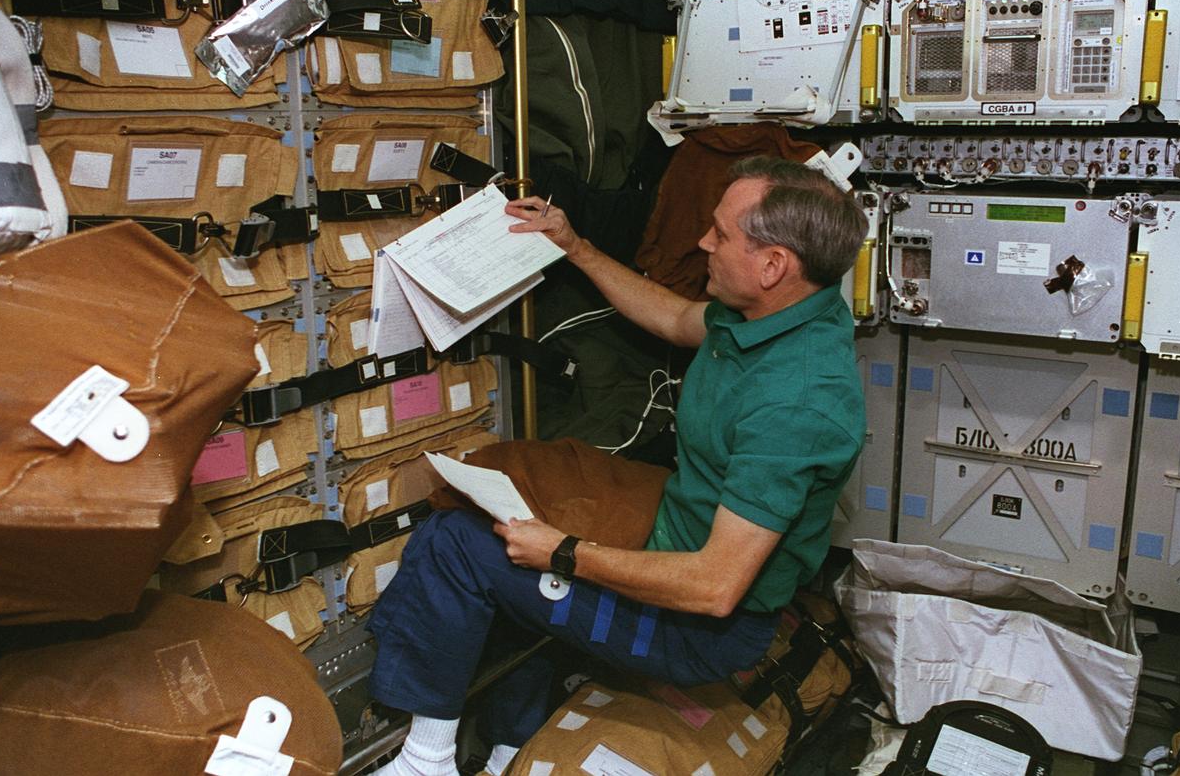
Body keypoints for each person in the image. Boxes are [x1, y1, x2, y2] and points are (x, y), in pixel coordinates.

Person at [369, 157, 869, 776]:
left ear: (773, 267)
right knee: (524, 476)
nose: (700, 242)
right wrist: (573, 246)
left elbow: (715, 589)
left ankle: (425, 763)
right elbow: (674, 318)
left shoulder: (797, 402)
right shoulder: (777, 312)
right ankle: (509, 751)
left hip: (698, 629)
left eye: (720, 234)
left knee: (456, 545)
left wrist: (562, 552)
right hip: (679, 525)